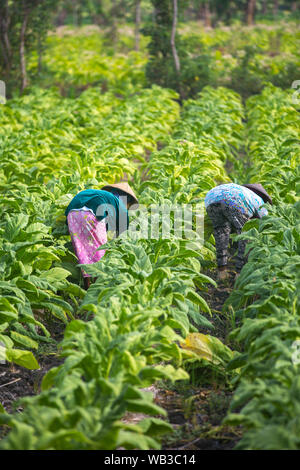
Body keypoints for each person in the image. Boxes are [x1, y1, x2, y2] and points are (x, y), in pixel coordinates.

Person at [65, 182, 138, 289]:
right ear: (127, 200)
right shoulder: (121, 205)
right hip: (91, 214)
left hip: (72, 213)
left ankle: (87, 285)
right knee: (100, 250)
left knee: (82, 250)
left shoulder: (105, 196)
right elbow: (123, 234)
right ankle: (97, 285)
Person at [204, 183, 272, 281]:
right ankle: (239, 274)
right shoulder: (259, 201)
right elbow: (266, 222)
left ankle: (222, 272)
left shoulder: (242, 191)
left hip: (210, 198)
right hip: (233, 201)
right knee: (245, 236)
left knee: (221, 233)